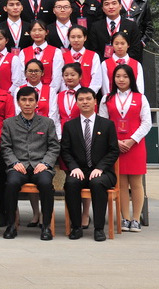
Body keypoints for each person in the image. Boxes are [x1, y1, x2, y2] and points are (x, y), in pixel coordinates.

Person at [1, 85, 59, 240]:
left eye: (31, 100)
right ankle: (11, 225)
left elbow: (54, 146)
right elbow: (5, 147)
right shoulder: (9, 123)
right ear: (18, 102)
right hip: (18, 166)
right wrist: (14, 162)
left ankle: (46, 226)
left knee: (46, 184)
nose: (27, 103)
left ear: (36, 103)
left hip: (40, 166)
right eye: (24, 100)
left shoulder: (47, 123)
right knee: (11, 184)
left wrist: (46, 163)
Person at [61, 86, 119, 242]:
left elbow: (113, 151)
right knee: (71, 183)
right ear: (77, 103)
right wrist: (74, 167)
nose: (85, 102)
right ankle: (76, 227)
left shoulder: (107, 124)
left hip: (103, 172)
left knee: (97, 183)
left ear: (95, 102)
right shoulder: (70, 126)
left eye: (88, 99)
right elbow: (65, 151)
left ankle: (99, 229)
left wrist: (100, 168)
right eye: (81, 99)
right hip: (79, 170)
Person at [100, 63, 151, 232]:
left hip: (135, 145)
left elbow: (147, 122)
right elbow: (103, 123)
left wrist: (132, 140)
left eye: (125, 76)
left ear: (131, 79)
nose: (121, 79)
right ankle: (125, 218)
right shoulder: (106, 98)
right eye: (117, 76)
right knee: (120, 183)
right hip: (115, 146)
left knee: (136, 183)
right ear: (113, 79)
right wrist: (115, 141)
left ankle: (136, 219)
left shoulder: (140, 97)